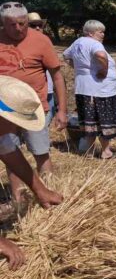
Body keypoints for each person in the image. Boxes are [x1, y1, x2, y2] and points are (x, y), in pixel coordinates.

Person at [0, 2, 67, 203]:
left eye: (22, 24)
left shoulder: (41, 40)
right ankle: (18, 199)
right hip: (5, 110)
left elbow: (57, 77)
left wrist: (62, 110)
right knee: (9, 151)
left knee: (40, 152)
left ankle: (49, 194)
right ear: (3, 23)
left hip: (35, 108)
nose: (18, 29)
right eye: (12, 25)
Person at [0, 75, 64, 269]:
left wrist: (40, 190)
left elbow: (10, 153)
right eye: (14, 122)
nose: (17, 128)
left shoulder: (1, 131)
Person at [62, 20, 116, 159]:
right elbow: (101, 56)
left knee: (89, 121)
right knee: (103, 120)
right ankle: (106, 151)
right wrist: (103, 70)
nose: (103, 34)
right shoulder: (95, 43)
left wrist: (79, 69)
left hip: (83, 88)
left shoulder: (77, 42)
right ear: (91, 32)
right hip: (99, 90)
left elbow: (66, 56)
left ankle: (89, 152)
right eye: (100, 31)